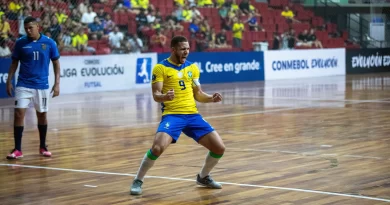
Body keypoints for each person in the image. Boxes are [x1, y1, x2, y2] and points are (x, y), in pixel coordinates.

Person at [130, 36, 226, 195]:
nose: (186, 52)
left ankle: (203, 177)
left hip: (192, 115)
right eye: (183, 49)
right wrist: (164, 97)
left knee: (219, 148)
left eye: (188, 49)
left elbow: (199, 94)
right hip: (172, 115)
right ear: (173, 49)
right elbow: (156, 95)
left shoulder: (193, 68)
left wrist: (211, 99)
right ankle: (138, 180)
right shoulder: (160, 68)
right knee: (157, 148)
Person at [5, 16, 61, 160]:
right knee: (18, 114)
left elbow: (56, 64)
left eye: (31, 27)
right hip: (23, 84)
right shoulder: (20, 43)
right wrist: (9, 80)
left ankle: (43, 146)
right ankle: (18, 149)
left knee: (42, 115)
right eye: (26, 28)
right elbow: (14, 63)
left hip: (41, 86)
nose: (28, 30)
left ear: (38, 27)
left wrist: (57, 84)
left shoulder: (49, 43)